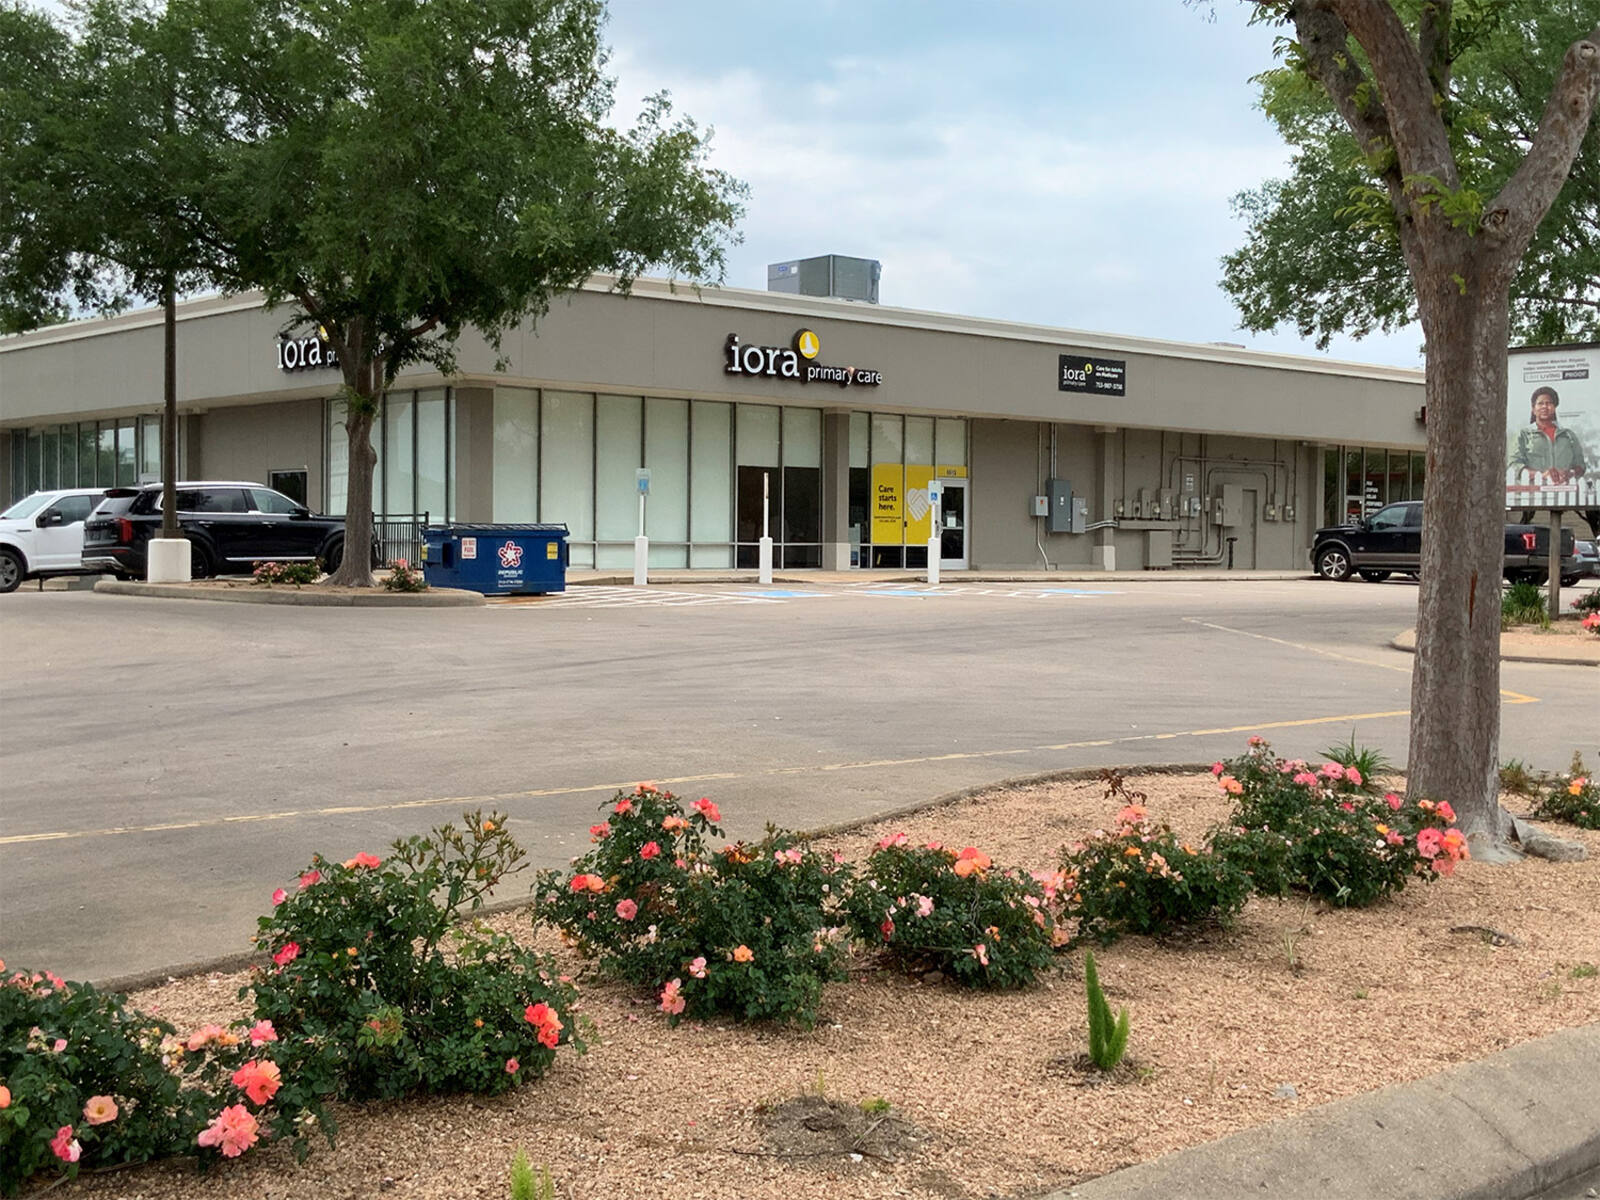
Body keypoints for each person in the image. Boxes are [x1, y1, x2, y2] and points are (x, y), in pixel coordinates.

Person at [1508, 385, 1588, 484]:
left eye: (1549, 403)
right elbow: (1514, 464)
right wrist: (1540, 475)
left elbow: (1580, 465)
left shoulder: (1568, 435)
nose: (1544, 407)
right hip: (1533, 495)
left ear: (1554, 408)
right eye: (1540, 403)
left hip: (1565, 494)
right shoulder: (1523, 435)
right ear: (1533, 409)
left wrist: (1570, 473)